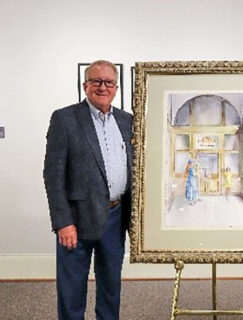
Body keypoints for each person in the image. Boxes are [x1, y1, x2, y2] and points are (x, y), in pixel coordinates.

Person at [43, 60, 133, 320]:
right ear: (85, 86)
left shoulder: (127, 121)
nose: (102, 87)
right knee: (71, 293)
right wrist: (63, 222)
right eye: (96, 81)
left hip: (116, 218)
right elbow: (53, 175)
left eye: (108, 82)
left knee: (110, 289)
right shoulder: (65, 119)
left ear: (116, 88)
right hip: (76, 221)